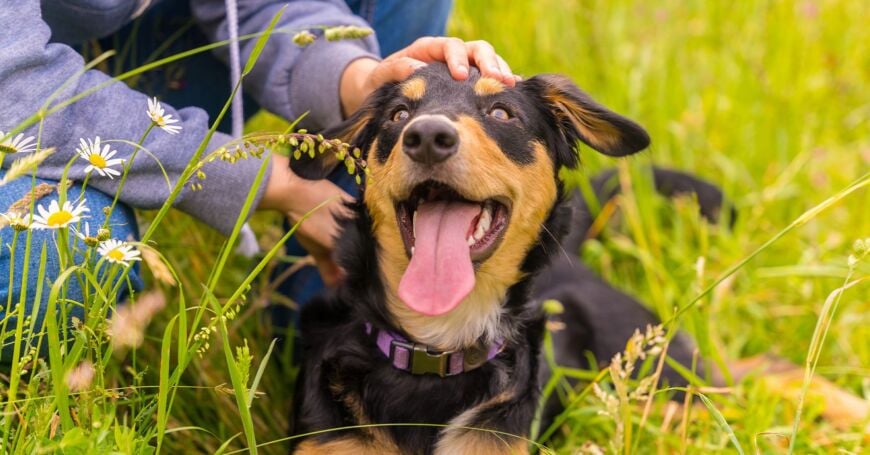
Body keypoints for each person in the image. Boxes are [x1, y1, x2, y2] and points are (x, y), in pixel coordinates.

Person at [0, 0, 515, 355]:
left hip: (122, 51)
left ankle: (333, 322)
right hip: (22, 106)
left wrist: (364, 82)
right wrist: (267, 181)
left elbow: (257, 8)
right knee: (49, 267)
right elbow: (15, 87)